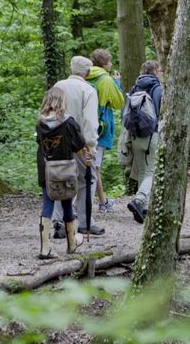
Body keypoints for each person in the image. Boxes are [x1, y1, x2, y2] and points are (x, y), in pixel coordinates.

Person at [50, 56, 101, 235]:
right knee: (87, 179)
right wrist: (91, 146)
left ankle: (59, 221)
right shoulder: (88, 90)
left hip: (56, 140)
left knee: (61, 177)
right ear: (87, 72)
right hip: (79, 142)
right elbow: (89, 121)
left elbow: (48, 112)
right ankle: (84, 221)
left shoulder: (58, 86)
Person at [36, 87, 88, 257]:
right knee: (67, 203)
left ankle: (45, 249)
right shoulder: (68, 122)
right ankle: (71, 245)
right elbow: (79, 144)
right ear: (61, 101)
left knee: (47, 204)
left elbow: (39, 142)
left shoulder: (40, 122)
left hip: (46, 169)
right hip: (65, 169)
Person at [120, 60, 163, 224]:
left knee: (142, 172)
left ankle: (143, 208)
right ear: (155, 71)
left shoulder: (134, 88)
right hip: (152, 134)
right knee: (152, 171)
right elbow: (160, 112)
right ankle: (139, 200)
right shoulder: (157, 88)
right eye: (160, 70)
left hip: (135, 135)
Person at [86, 48, 124, 215]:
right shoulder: (105, 79)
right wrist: (117, 83)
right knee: (94, 166)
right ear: (104, 63)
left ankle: (103, 202)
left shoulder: (84, 76)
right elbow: (118, 103)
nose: (110, 64)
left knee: (94, 166)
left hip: (83, 124)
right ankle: (80, 206)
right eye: (109, 61)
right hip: (100, 127)